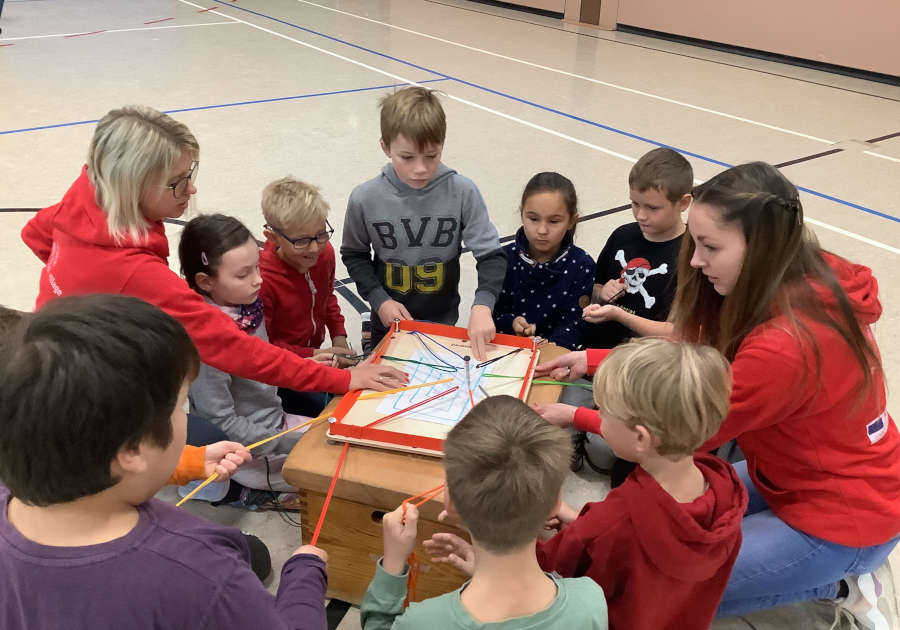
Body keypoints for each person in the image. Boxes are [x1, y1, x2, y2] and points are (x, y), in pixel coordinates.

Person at [534, 162, 900, 626]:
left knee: (665, 590)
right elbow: (698, 344)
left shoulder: (785, 348)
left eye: (709, 247)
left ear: (762, 248)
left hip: (844, 517)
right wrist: (593, 360)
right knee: (669, 546)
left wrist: (575, 416)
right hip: (791, 474)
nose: (694, 261)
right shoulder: (793, 274)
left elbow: (671, 434)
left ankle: (839, 587)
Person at [21, 105, 405, 400]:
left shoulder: (87, 191)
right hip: (89, 389)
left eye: (191, 174)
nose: (191, 191)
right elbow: (235, 347)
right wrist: (342, 378)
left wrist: (78, 291)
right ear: (131, 186)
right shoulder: (135, 274)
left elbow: (35, 233)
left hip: (57, 357)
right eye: (176, 183)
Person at [0, 294, 329, 628]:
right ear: (133, 451)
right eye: (181, 406)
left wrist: (189, 463)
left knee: (252, 553)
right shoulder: (204, 572)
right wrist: (304, 576)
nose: (185, 417)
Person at [537, 338, 746, 629]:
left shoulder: (616, 519)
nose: (599, 420)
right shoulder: (725, 484)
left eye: (604, 413)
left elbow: (552, 562)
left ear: (641, 438)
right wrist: (575, 518)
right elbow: (637, 539)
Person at [360, 396, 608, 629]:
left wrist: (392, 565)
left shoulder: (423, 622)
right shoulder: (590, 599)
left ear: (451, 503)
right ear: (556, 504)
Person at [341, 87, 506, 360]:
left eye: (431, 155)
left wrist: (483, 305)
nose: (420, 168)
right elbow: (354, 255)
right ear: (385, 147)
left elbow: (491, 256)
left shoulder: (463, 191)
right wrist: (379, 300)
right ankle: (369, 334)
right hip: (388, 322)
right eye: (407, 157)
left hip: (442, 324)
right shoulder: (364, 198)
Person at [178, 214, 313, 504]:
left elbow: (268, 361)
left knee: (341, 440)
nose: (258, 280)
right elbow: (223, 423)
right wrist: (289, 442)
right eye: (243, 275)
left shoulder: (245, 306)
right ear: (205, 281)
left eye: (257, 267)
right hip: (245, 451)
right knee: (331, 478)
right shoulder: (207, 346)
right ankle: (232, 490)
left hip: (275, 423)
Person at [581, 147, 692, 348]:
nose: (641, 215)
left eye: (652, 208)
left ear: (683, 203)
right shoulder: (622, 235)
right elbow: (594, 287)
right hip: (597, 353)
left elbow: (676, 332)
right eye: (635, 204)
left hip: (644, 364)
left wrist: (619, 315)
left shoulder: (691, 254)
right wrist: (602, 292)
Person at [260, 176, 352, 416]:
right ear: (272, 237)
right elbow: (263, 347)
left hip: (314, 357)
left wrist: (339, 338)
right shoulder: (261, 279)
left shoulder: (324, 253)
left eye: (321, 234)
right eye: (301, 241)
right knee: (330, 412)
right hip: (281, 372)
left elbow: (327, 297)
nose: (314, 248)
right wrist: (314, 355)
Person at [492, 172, 594, 350]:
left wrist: (547, 348)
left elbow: (575, 325)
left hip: (554, 360)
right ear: (522, 213)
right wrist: (512, 323)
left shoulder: (582, 265)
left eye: (554, 221)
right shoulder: (504, 258)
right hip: (503, 352)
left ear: (572, 221)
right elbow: (490, 314)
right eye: (533, 219)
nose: (542, 230)